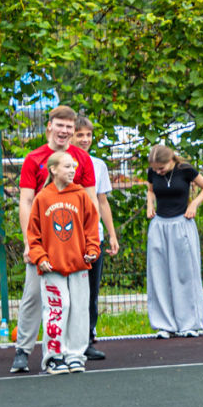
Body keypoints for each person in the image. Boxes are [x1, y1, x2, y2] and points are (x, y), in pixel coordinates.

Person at [11, 106, 96, 373]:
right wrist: (29, 243)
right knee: (34, 296)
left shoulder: (82, 159)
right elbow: (26, 201)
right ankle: (23, 349)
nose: (64, 131)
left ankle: (73, 351)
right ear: (49, 126)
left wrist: (92, 241)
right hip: (44, 243)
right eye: (60, 125)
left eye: (69, 127)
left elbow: (90, 201)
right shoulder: (34, 159)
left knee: (76, 301)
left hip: (73, 245)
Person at [25, 150, 100, 374]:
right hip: (52, 267)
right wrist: (40, 257)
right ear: (53, 169)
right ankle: (54, 357)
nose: (72, 171)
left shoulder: (81, 195)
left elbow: (91, 228)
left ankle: (75, 355)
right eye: (67, 167)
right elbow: (33, 234)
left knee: (79, 310)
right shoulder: (42, 198)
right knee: (58, 308)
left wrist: (92, 250)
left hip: (79, 265)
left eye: (73, 167)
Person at [144, 143, 203, 338]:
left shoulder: (185, 170)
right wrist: (150, 204)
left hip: (182, 224)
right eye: (155, 169)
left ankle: (190, 323)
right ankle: (164, 325)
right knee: (159, 275)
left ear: (171, 160)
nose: (158, 172)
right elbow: (150, 190)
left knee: (185, 274)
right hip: (159, 226)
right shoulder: (153, 172)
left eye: (161, 168)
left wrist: (194, 204)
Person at [72, 115, 120, 360]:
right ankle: (68, 340)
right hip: (68, 238)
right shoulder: (62, 162)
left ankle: (89, 337)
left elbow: (102, 201)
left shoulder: (99, 165)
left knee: (91, 291)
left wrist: (111, 234)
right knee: (70, 292)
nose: (84, 139)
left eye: (88, 135)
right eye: (79, 134)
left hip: (93, 238)